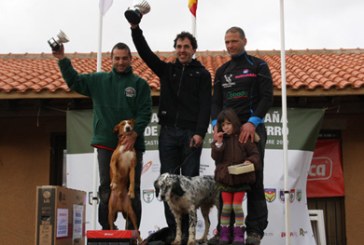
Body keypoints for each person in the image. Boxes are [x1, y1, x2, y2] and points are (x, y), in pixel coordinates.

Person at [127, 18, 212, 243]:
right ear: (175, 49)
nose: (182, 50)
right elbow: (145, 53)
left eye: (186, 47)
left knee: (190, 185)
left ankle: (190, 234)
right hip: (168, 134)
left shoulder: (202, 74)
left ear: (194, 50)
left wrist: (199, 133)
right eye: (179, 47)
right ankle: (176, 232)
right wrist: (135, 29)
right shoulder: (166, 70)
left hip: (191, 135)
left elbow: (206, 106)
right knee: (168, 184)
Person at [52, 42, 152, 231]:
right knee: (107, 188)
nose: (121, 62)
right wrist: (62, 59)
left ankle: (131, 234)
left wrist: (135, 133)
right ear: (111, 59)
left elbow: (145, 112)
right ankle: (107, 232)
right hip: (107, 143)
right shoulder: (98, 80)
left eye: (124, 58)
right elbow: (74, 81)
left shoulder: (140, 84)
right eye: (117, 58)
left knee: (133, 189)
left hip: (132, 145)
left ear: (131, 59)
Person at [210, 27, 273, 245]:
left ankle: (254, 230)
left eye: (234, 41)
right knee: (224, 180)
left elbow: (267, 97)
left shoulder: (258, 65)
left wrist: (252, 122)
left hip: (251, 131)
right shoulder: (222, 71)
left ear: (244, 40)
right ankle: (222, 231)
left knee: (254, 178)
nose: (230, 46)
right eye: (227, 42)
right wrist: (215, 126)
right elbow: (216, 103)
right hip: (227, 134)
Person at [211, 108, 260, 245]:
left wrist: (250, 161)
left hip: (240, 179)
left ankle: (239, 234)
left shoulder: (243, 138)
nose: (225, 127)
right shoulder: (220, 140)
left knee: (237, 206)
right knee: (226, 207)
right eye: (223, 125)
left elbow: (255, 154)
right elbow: (216, 156)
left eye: (228, 123)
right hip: (225, 179)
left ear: (235, 123)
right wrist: (218, 143)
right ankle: (224, 234)